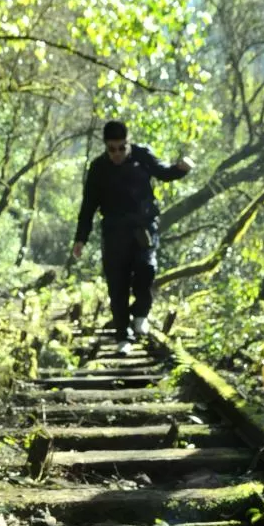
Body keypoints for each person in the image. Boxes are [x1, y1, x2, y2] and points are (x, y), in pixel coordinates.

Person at [72, 120, 193, 355]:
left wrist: (181, 168)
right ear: (106, 147)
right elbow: (88, 206)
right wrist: (80, 239)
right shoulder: (98, 168)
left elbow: (164, 172)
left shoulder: (142, 156)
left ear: (128, 143)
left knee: (147, 270)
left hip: (143, 227)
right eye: (112, 149)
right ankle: (123, 337)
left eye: (121, 148)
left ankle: (140, 315)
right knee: (117, 285)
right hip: (114, 231)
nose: (117, 154)